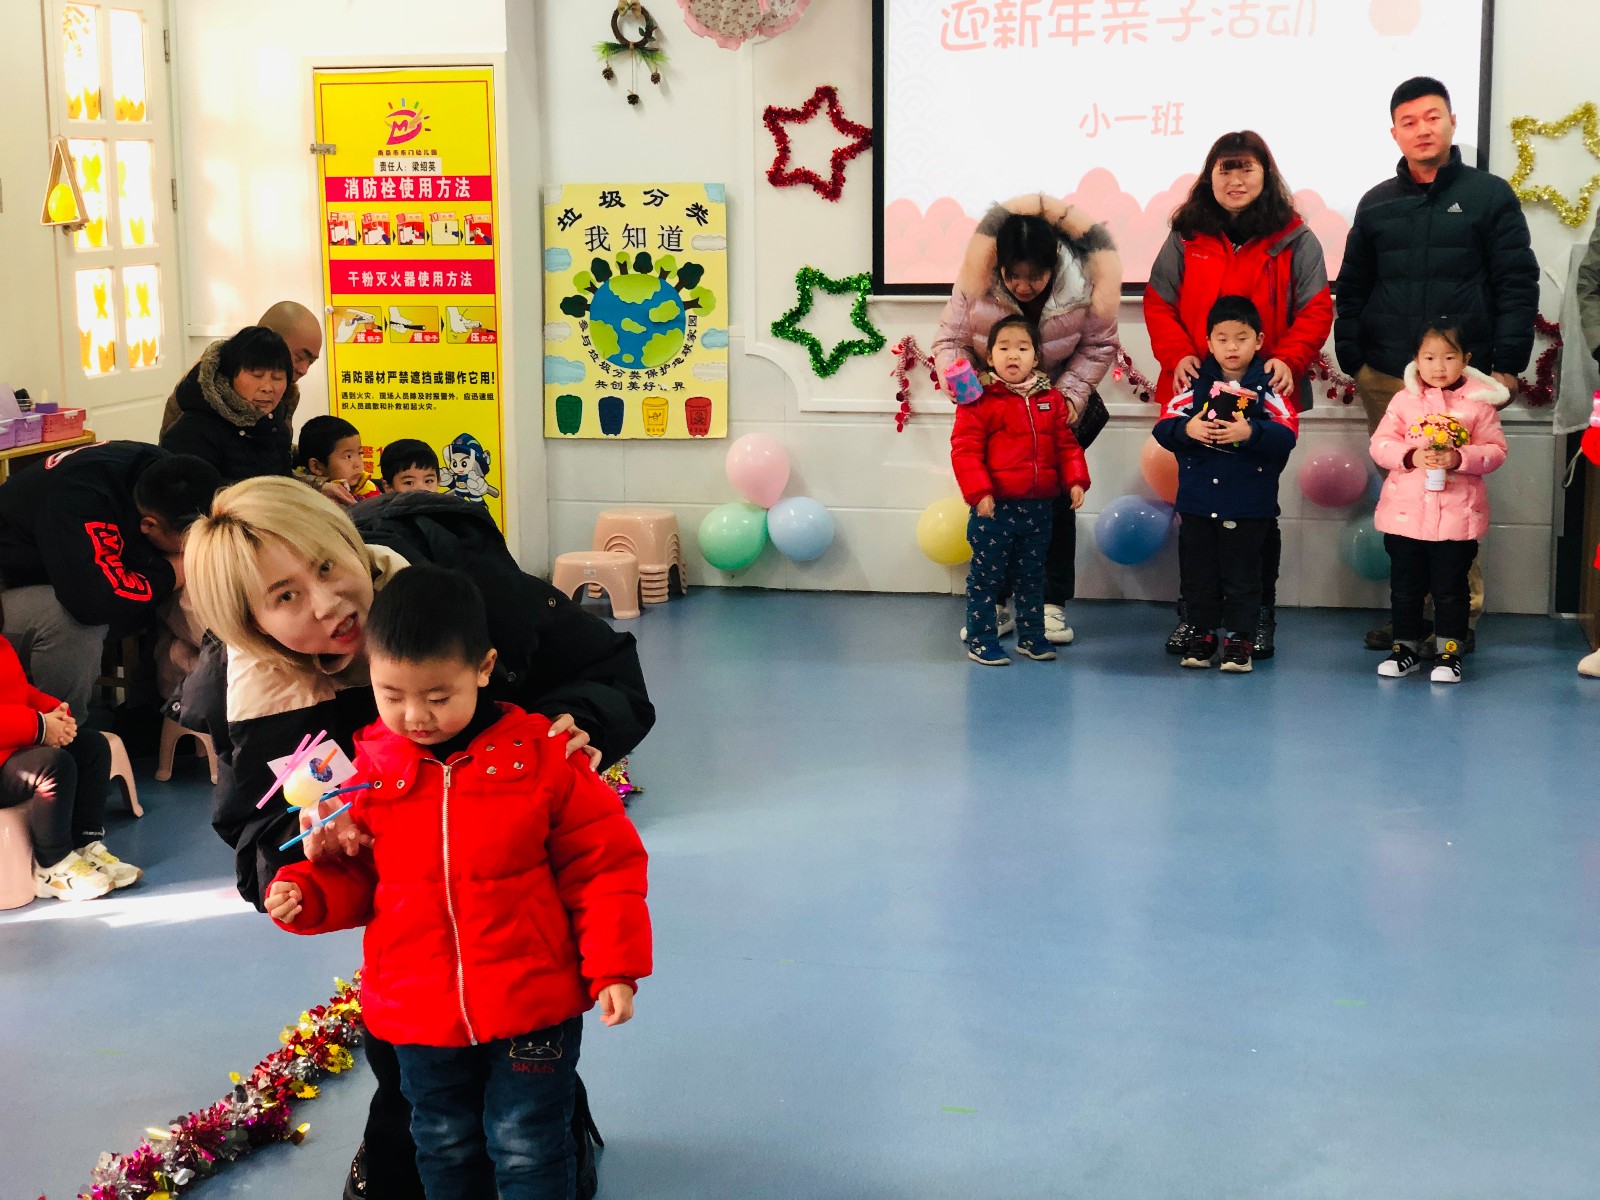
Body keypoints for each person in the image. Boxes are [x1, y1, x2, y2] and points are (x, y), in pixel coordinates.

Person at [181, 477, 654, 1200]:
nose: (328, 604)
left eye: (328, 566)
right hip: (416, 958)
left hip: (519, 916)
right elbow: (256, 831)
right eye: (286, 597)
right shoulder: (251, 690)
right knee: (428, 1117)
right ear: (250, 623)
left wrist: (578, 720)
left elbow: (606, 670)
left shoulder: (457, 595)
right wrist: (307, 851)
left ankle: (556, 1128)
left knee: (529, 1119)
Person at [1335, 76, 1538, 652]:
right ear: (1394, 133)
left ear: (1451, 122)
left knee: (1455, 499)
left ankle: (1456, 621)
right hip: (1390, 377)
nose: (1422, 129)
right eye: (1409, 121)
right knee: (1404, 500)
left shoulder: (1488, 195)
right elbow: (1353, 287)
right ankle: (1410, 621)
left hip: (1465, 381)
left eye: (1432, 117)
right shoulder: (1377, 202)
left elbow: (1516, 282)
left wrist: (1508, 363)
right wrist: (1354, 357)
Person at [1144, 130, 1332, 660]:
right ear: (1210, 176)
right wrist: (1177, 354)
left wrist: (1288, 358)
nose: (1235, 178)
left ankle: (1256, 618)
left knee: (1255, 513)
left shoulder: (1295, 238)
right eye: (1225, 168)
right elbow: (1158, 301)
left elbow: (1316, 307)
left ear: (1265, 174)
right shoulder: (1186, 235)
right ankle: (1197, 617)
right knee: (1197, 509)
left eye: (1246, 167)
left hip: (1268, 390)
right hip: (1196, 385)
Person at [934, 197, 1121, 646]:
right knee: (995, 510)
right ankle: (995, 606)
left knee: (1056, 508)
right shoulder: (975, 282)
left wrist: (1069, 396)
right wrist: (966, 386)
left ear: (1053, 265)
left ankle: (1050, 606)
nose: (1022, 286)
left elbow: (1099, 345)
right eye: (1012, 275)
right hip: (996, 411)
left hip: (1052, 411)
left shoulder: (1084, 287)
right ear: (998, 265)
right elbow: (949, 342)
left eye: (1034, 276)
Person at [0, 443, 220, 716]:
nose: (191, 549)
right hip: (8, 583)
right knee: (73, 624)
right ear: (148, 525)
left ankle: (154, 707)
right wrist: (171, 573)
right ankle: (64, 731)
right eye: (187, 543)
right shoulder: (81, 501)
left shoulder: (163, 472)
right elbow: (91, 603)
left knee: (181, 582)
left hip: (52, 569)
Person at [1151, 297, 1299, 673]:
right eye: (1222, 339)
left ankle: (1239, 640)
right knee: (1199, 575)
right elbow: (1164, 424)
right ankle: (1202, 636)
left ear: (1259, 340)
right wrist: (1188, 428)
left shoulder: (1270, 384)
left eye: (1241, 338)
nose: (1232, 347)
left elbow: (1288, 432)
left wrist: (1251, 432)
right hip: (1198, 501)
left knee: (1244, 576)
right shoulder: (1193, 381)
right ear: (1209, 342)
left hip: (1249, 503)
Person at [1369, 320, 1508, 685]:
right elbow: (1380, 445)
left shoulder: (1479, 404)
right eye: (1429, 358)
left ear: (1466, 360)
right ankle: (1405, 650)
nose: (1439, 366)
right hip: (1405, 517)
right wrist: (1411, 455)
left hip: (1456, 519)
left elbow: (1495, 451)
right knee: (1405, 589)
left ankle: (1449, 654)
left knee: (1451, 590)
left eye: (1449, 357)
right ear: (1416, 360)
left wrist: (1459, 457)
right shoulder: (1404, 400)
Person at [951, 315, 1089, 666]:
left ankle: (1031, 637)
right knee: (986, 578)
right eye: (1004, 348)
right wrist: (980, 493)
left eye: (1023, 348)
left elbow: (1066, 446)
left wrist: (1076, 479)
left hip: (1038, 509)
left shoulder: (1050, 399)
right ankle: (981, 639)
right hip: (994, 509)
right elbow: (965, 451)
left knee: (1032, 577)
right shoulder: (978, 400)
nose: (1013, 355)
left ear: (1036, 358)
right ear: (990, 357)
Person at [0, 618, 132, 901]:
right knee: (53, 766)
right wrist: (40, 726)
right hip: (5, 761)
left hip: (13, 749)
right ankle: (52, 865)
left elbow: (21, 692)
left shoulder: (2, 646)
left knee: (93, 747)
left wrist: (54, 712)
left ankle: (86, 845)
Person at [159, 300, 323, 439]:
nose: (304, 370)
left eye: (311, 361)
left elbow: (275, 452)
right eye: (299, 357)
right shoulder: (195, 393)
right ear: (267, 337)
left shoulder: (287, 390)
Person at [161, 326, 296, 486]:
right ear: (230, 376)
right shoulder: (192, 432)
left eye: (277, 377)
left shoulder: (274, 423)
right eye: (257, 375)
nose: (267, 387)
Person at [296, 415, 380, 500]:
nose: (358, 464)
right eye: (348, 457)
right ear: (316, 467)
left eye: (360, 453)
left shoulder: (368, 489)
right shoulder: (302, 497)